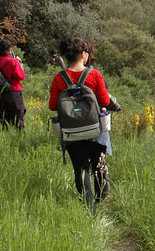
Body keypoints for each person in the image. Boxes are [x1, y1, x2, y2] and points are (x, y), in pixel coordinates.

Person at [48, 37, 121, 210]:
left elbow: (52, 105)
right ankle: (102, 195)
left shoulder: (59, 78)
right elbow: (103, 100)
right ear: (83, 54)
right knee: (98, 164)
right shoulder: (94, 74)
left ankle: (89, 210)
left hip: (72, 132)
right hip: (95, 128)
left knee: (81, 170)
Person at [0, 37, 26, 130]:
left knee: (4, 118)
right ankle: (20, 138)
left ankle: (6, 136)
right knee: (19, 117)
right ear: (10, 49)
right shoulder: (13, 62)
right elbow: (21, 76)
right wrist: (19, 64)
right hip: (14, 92)